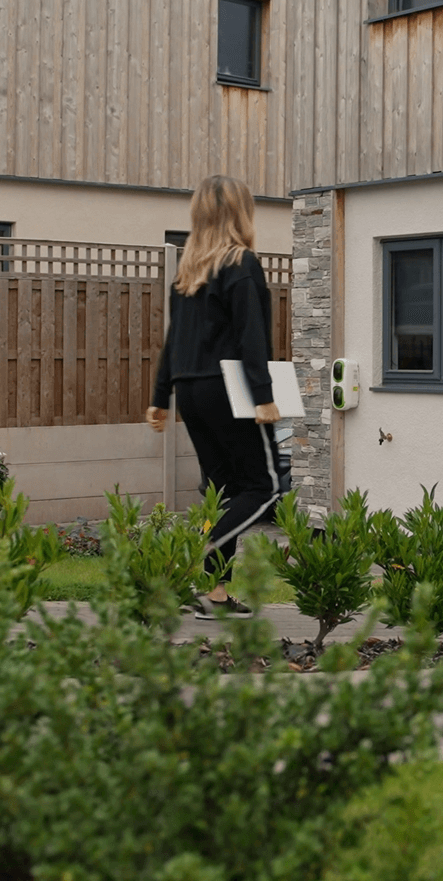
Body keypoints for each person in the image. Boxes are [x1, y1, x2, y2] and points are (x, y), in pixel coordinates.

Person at [146, 175, 281, 619]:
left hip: (191, 390)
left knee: (222, 492)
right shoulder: (241, 262)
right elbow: (252, 336)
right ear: (241, 212)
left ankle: (216, 594)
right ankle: (201, 552)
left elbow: (173, 341)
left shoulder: (188, 273)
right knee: (265, 487)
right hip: (230, 390)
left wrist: (161, 396)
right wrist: (264, 395)